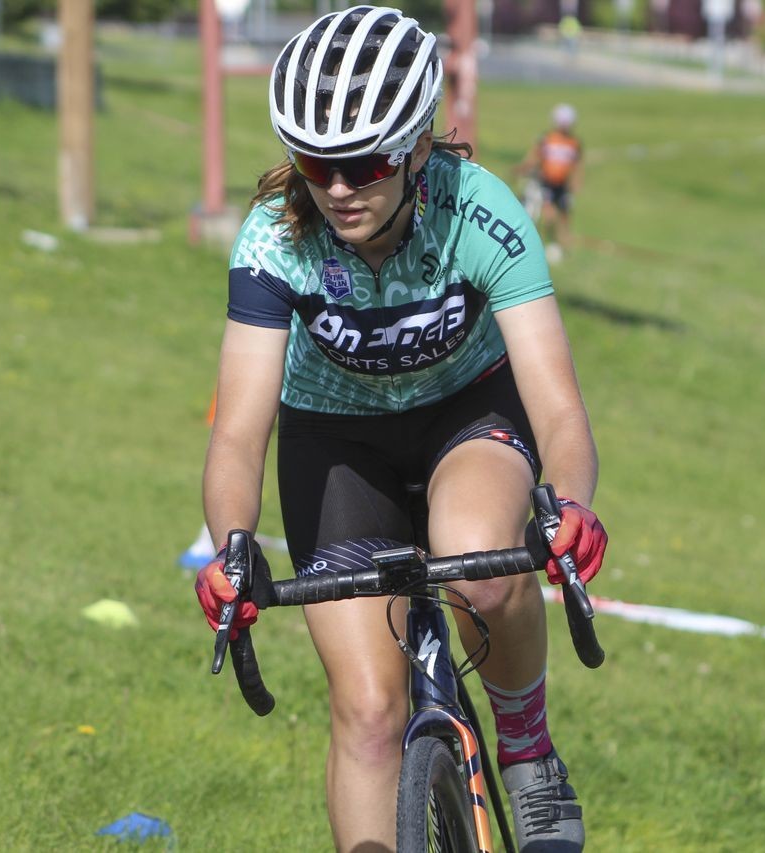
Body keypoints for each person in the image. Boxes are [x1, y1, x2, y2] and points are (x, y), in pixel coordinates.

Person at [192, 8, 606, 852]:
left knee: (482, 566)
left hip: (467, 414)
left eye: (365, 162)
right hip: (335, 440)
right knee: (369, 710)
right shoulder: (274, 240)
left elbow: (559, 404)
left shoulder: (483, 213)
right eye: (316, 162)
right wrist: (231, 546)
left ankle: (526, 748)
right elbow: (238, 429)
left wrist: (570, 505)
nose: (338, 188)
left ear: (418, 146)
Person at [517, 104, 583, 265]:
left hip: (562, 185)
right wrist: (523, 169)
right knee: (548, 214)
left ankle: (563, 244)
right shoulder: (547, 139)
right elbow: (534, 158)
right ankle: (548, 243)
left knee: (565, 215)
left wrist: (576, 182)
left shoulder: (574, 143)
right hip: (546, 182)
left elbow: (577, 164)